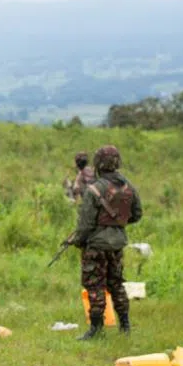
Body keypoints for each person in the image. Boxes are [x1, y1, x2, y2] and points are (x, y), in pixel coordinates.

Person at [71, 145, 142, 339]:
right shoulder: (129, 187)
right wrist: (117, 224)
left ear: (98, 164)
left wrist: (78, 241)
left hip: (96, 246)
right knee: (116, 283)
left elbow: (85, 225)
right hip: (117, 245)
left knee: (95, 285)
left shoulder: (94, 190)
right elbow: (137, 214)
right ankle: (125, 326)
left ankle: (96, 329)